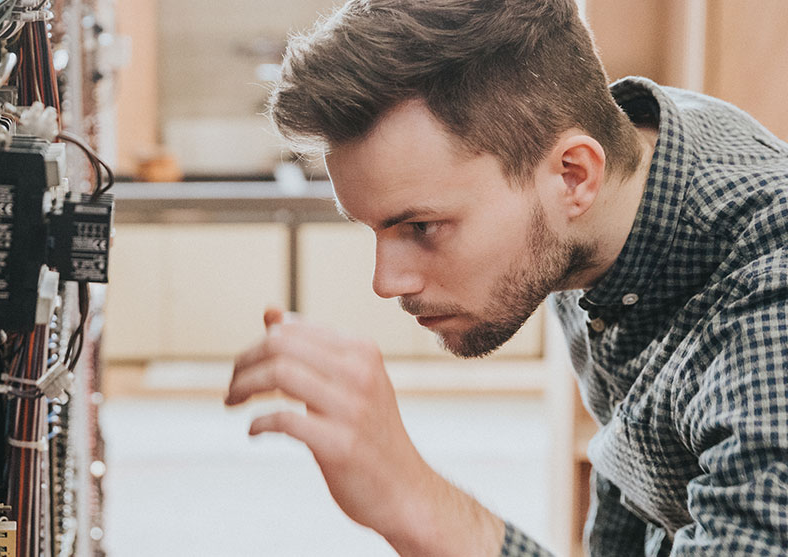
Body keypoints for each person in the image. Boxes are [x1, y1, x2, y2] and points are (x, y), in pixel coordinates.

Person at [224, 0, 788, 555]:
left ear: (574, 177)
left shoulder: (767, 321)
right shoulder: (612, 180)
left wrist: (414, 501)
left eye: (422, 225)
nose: (386, 282)